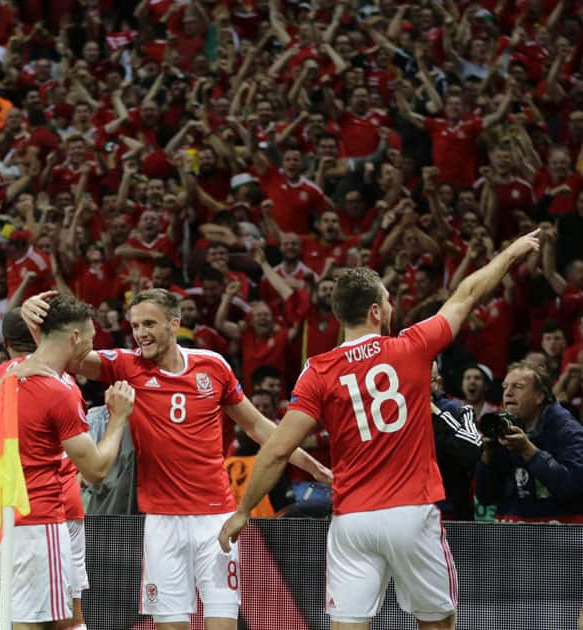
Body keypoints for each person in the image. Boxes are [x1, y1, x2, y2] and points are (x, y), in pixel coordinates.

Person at [217, 230, 541, 630]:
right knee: (437, 622)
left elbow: (278, 449)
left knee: (348, 625)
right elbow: (467, 293)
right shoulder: (413, 346)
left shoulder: (317, 371)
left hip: (353, 519)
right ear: (375, 311)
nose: (391, 307)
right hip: (411, 512)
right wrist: (511, 250)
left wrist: (243, 511)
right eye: (388, 300)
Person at [21, 289, 331, 629]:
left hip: (215, 520)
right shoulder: (126, 365)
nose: (140, 333)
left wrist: (309, 464)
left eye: (149, 323)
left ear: (174, 323)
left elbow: (258, 426)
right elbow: (66, 355)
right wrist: (34, 321)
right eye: (135, 325)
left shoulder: (212, 367)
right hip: (162, 522)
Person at [0, 307, 98, 629]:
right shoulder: (64, 384)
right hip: (54, 512)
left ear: (9, 344)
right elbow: (95, 468)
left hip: (7, 510)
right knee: (65, 617)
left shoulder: (2, 375)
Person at [475, 361, 583, 522]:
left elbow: (573, 489)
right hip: (513, 530)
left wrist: (529, 451)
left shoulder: (566, 429)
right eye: (505, 387)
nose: (508, 393)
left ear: (540, 396)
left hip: (558, 534)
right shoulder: (501, 426)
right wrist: (488, 457)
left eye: (518, 386)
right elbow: (486, 497)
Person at [430, 362, 481, 521]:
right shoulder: (395, 415)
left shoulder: (459, 410)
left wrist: (437, 415)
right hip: (407, 513)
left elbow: (474, 450)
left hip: (451, 515)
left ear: (437, 383)